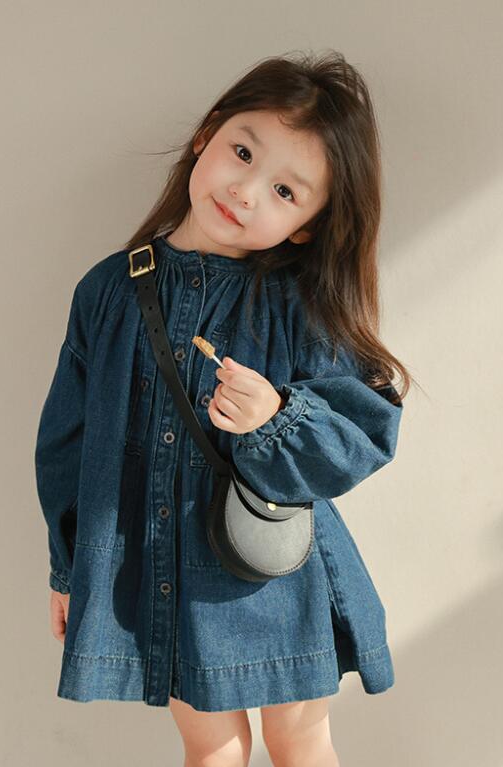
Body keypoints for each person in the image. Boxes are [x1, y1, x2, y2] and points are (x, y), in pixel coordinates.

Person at [34, 50, 414, 767]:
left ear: (306, 226)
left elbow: (366, 430)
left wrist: (278, 414)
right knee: (211, 746)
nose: (245, 191)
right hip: (166, 572)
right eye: (243, 152)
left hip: (278, 572)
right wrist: (67, 566)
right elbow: (65, 441)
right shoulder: (109, 292)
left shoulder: (299, 306)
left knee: (300, 741)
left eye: (285, 191)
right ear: (206, 134)